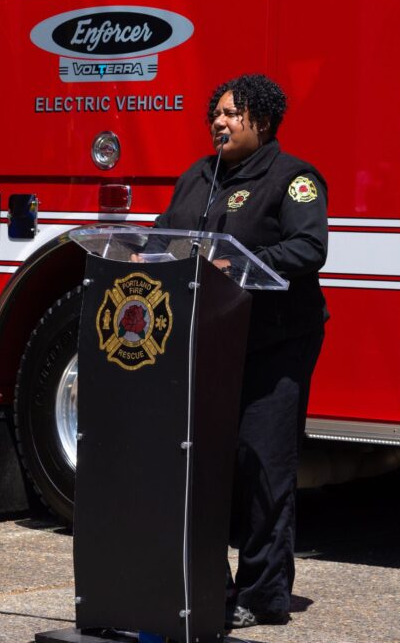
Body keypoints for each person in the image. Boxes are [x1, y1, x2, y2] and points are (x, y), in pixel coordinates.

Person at [150, 74, 328, 629]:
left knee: (261, 466)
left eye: (233, 114)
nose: (220, 123)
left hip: (274, 343)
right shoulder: (197, 178)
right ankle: (208, 586)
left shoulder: (292, 178)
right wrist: (146, 258)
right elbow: (163, 235)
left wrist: (243, 266)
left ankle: (262, 595)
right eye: (216, 113)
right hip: (208, 343)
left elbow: (309, 247)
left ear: (264, 122)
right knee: (199, 466)